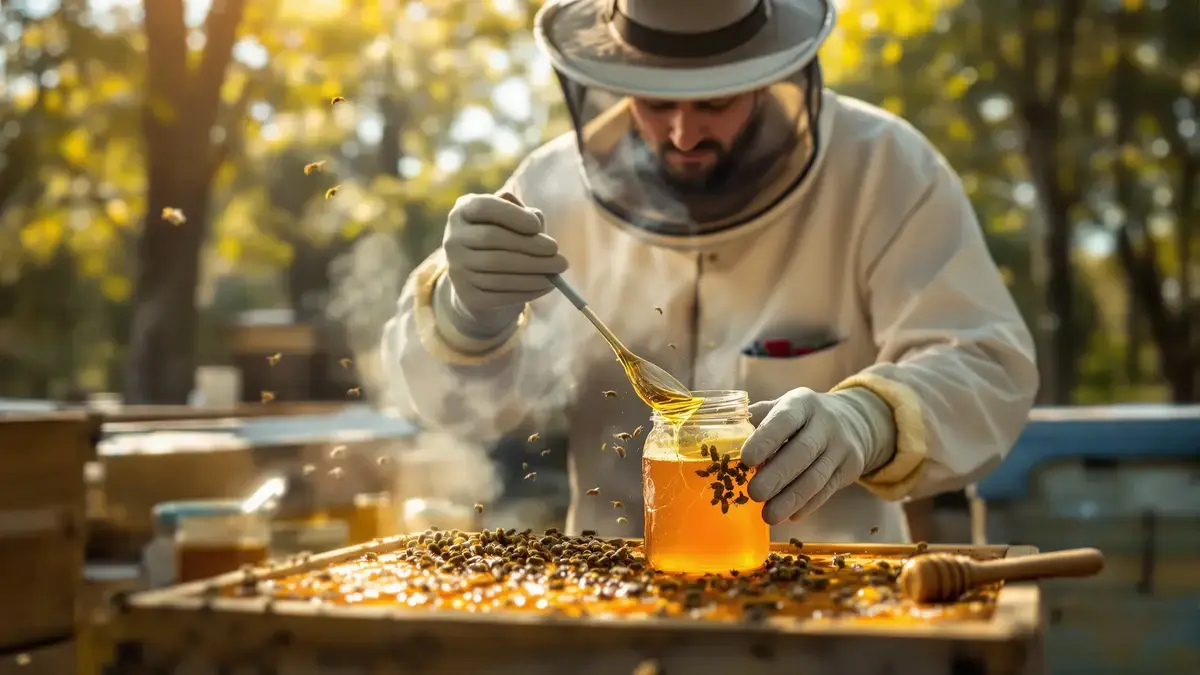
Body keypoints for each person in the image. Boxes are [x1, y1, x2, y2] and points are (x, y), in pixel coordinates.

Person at [382, 0, 1038, 543]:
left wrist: (868, 419)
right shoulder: (550, 188)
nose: (684, 135)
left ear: (766, 73)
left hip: (828, 617)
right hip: (610, 610)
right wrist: (468, 317)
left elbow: (986, 366)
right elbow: (444, 407)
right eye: (654, 102)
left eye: (715, 102)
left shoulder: (884, 169)